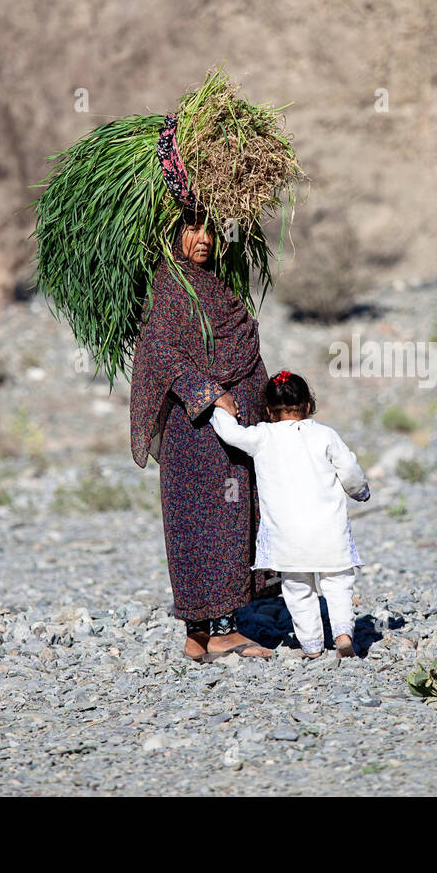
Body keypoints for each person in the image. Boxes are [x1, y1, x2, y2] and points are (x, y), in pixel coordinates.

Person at [129, 210, 275, 662]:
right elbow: (159, 350)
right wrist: (209, 393)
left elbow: (243, 347)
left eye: (211, 229)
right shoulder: (170, 285)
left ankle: (211, 632)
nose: (205, 239)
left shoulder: (216, 284)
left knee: (230, 522)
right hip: (191, 431)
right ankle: (209, 631)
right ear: (174, 233)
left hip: (231, 434)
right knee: (197, 524)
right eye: (194, 228)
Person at [209, 370, 370, 658]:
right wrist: (360, 492)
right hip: (329, 532)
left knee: (297, 590)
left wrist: (218, 406)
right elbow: (349, 470)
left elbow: (231, 434)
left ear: (269, 411)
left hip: (287, 536)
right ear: (308, 406)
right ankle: (343, 633)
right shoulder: (325, 435)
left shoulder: (262, 436)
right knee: (338, 583)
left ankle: (311, 646)